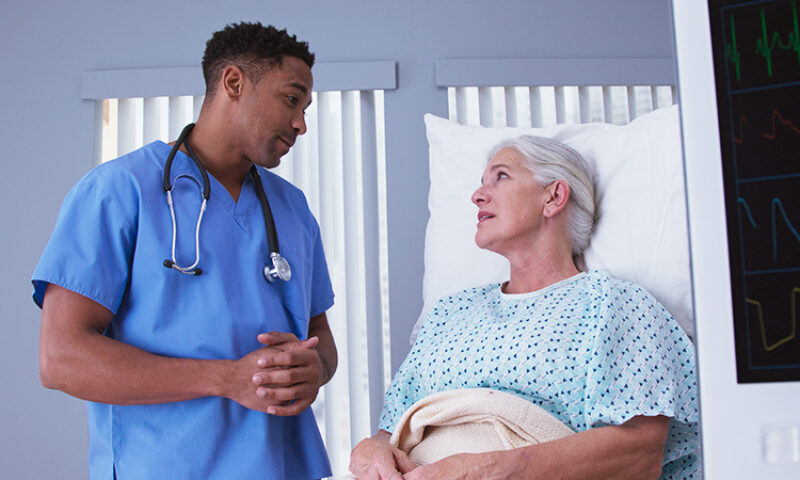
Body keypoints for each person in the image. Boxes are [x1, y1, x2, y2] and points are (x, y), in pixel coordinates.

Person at [32, 22, 337, 480]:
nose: (301, 124)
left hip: (285, 466)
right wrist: (227, 378)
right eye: (291, 100)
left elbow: (321, 338)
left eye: (305, 108)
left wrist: (315, 368)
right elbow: (62, 358)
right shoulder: (118, 191)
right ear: (234, 83)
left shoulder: (292, 209)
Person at [349, 135, 699, 479]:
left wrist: (486, 469)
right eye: (481, 182)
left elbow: (639, 454)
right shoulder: (449, 312)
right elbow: (391, 429)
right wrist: (370, 452)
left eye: (501, 176)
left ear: (554, 196)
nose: (477, 195)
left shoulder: (615, 305)